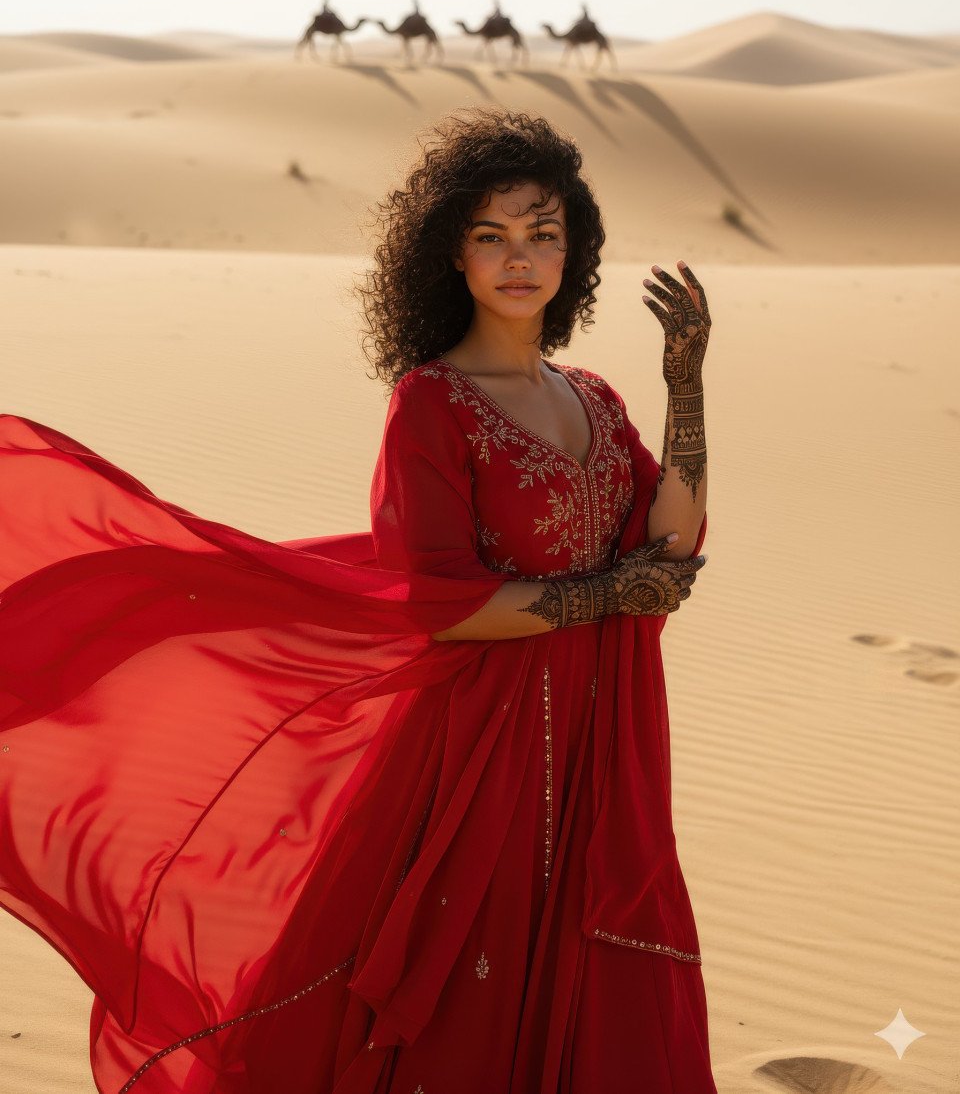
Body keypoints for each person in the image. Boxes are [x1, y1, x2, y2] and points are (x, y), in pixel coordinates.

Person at [0, 107, 714, 1093]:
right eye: (491, 235)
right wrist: (602, 598)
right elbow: (438, 599)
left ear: (575, 250)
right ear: (450, 255)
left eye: (543, 233)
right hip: (476, 759)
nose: (520, 258)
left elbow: (670, 548)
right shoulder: (431, 401)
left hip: (605, 745)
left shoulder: (593, 397)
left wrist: (686, 387)